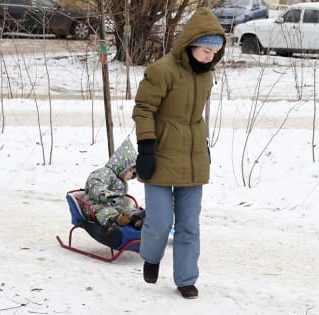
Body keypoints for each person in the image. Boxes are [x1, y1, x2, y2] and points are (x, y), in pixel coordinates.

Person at [132, 7, 226, 299]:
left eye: (215, 49)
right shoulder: (162, 71)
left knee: (189, 225)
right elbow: (144, 109)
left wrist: (203, 148)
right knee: (160, 222)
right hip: (159, 153)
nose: (210, 55)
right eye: (205, 48)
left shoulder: (206, 75)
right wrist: (146, 147)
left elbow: (194, 117)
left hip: (193, 155)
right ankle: (151, 256)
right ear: (190, 44)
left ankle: (186, 278)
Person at [81, 138, 144, 230]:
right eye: (130, 170)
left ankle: (138, 220)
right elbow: (96, 184)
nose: (131, 175)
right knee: (105, 211)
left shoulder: (120, 179)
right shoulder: (104, 173)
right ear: (121, 166)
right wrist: (104, 194)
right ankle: (114, 221)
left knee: (127, 211)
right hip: (96, 205)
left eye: (133, 172)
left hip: (115, 206)